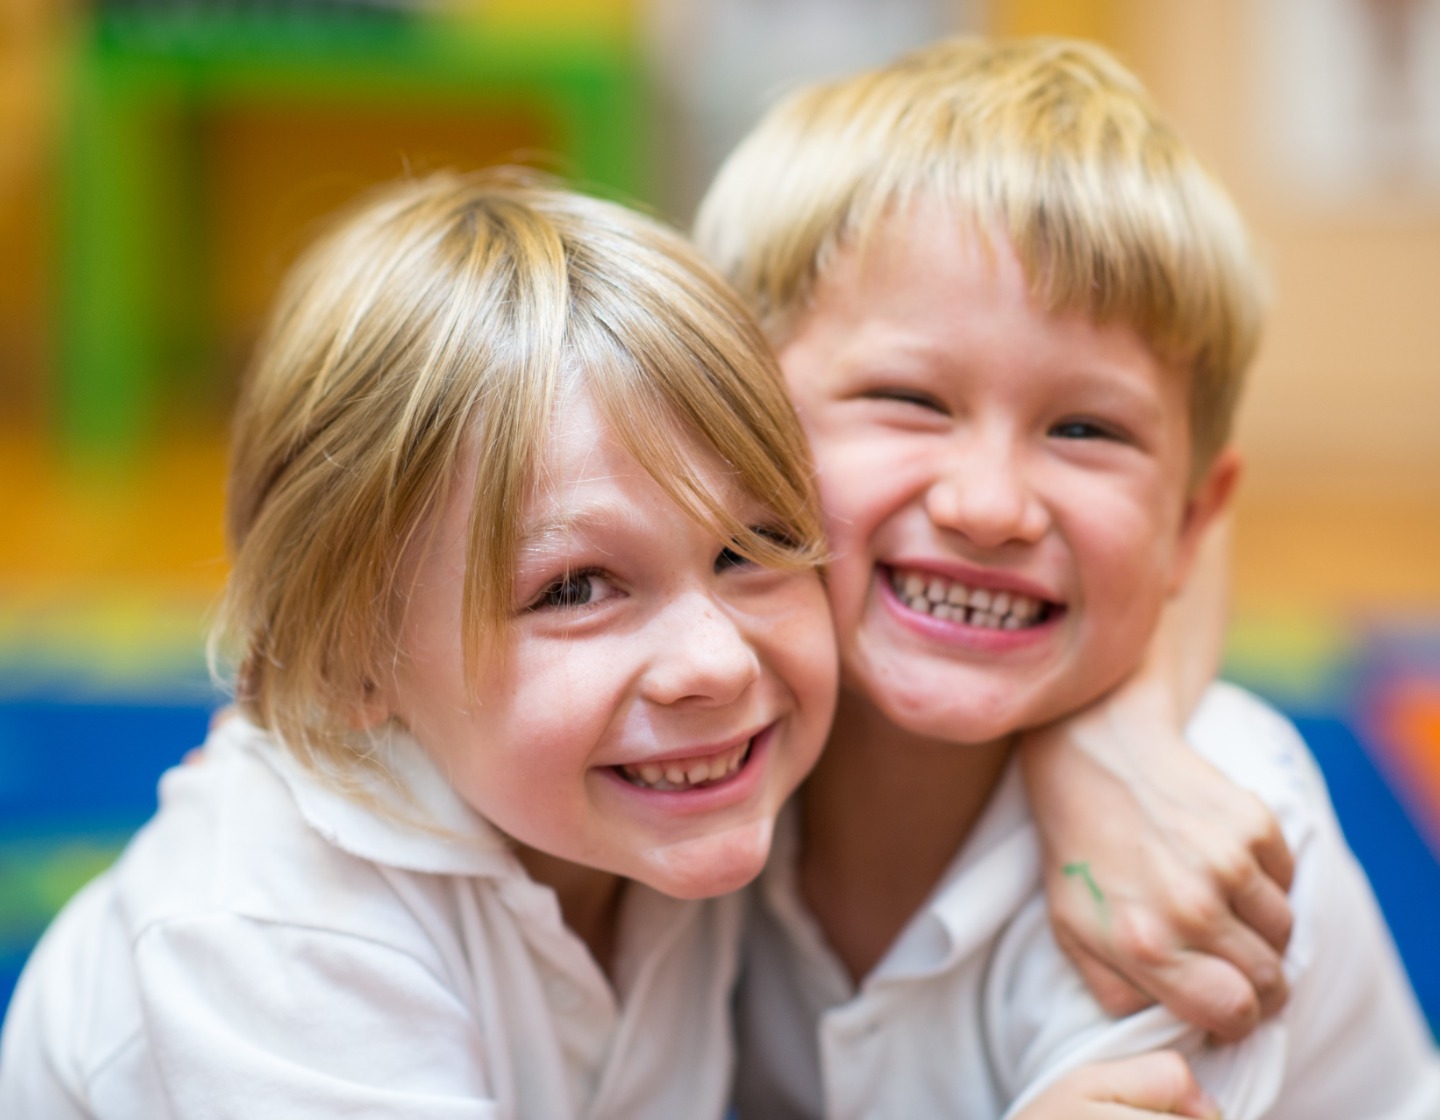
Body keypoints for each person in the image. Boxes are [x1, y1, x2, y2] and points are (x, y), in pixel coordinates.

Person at [0, 169, 1231, 1119]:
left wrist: (1106, 744)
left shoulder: (669, 779)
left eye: (756, 549)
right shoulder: (273, 933)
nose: (715, 661)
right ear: (347, 664)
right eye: (578, 586)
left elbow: (1172, 536)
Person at [694, 36, 1440, 1119]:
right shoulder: (680, 748)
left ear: (1193, 522)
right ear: (736, 428)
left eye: (1084, 428)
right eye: (909, 399)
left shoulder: (1202, 867)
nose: (989, 504)